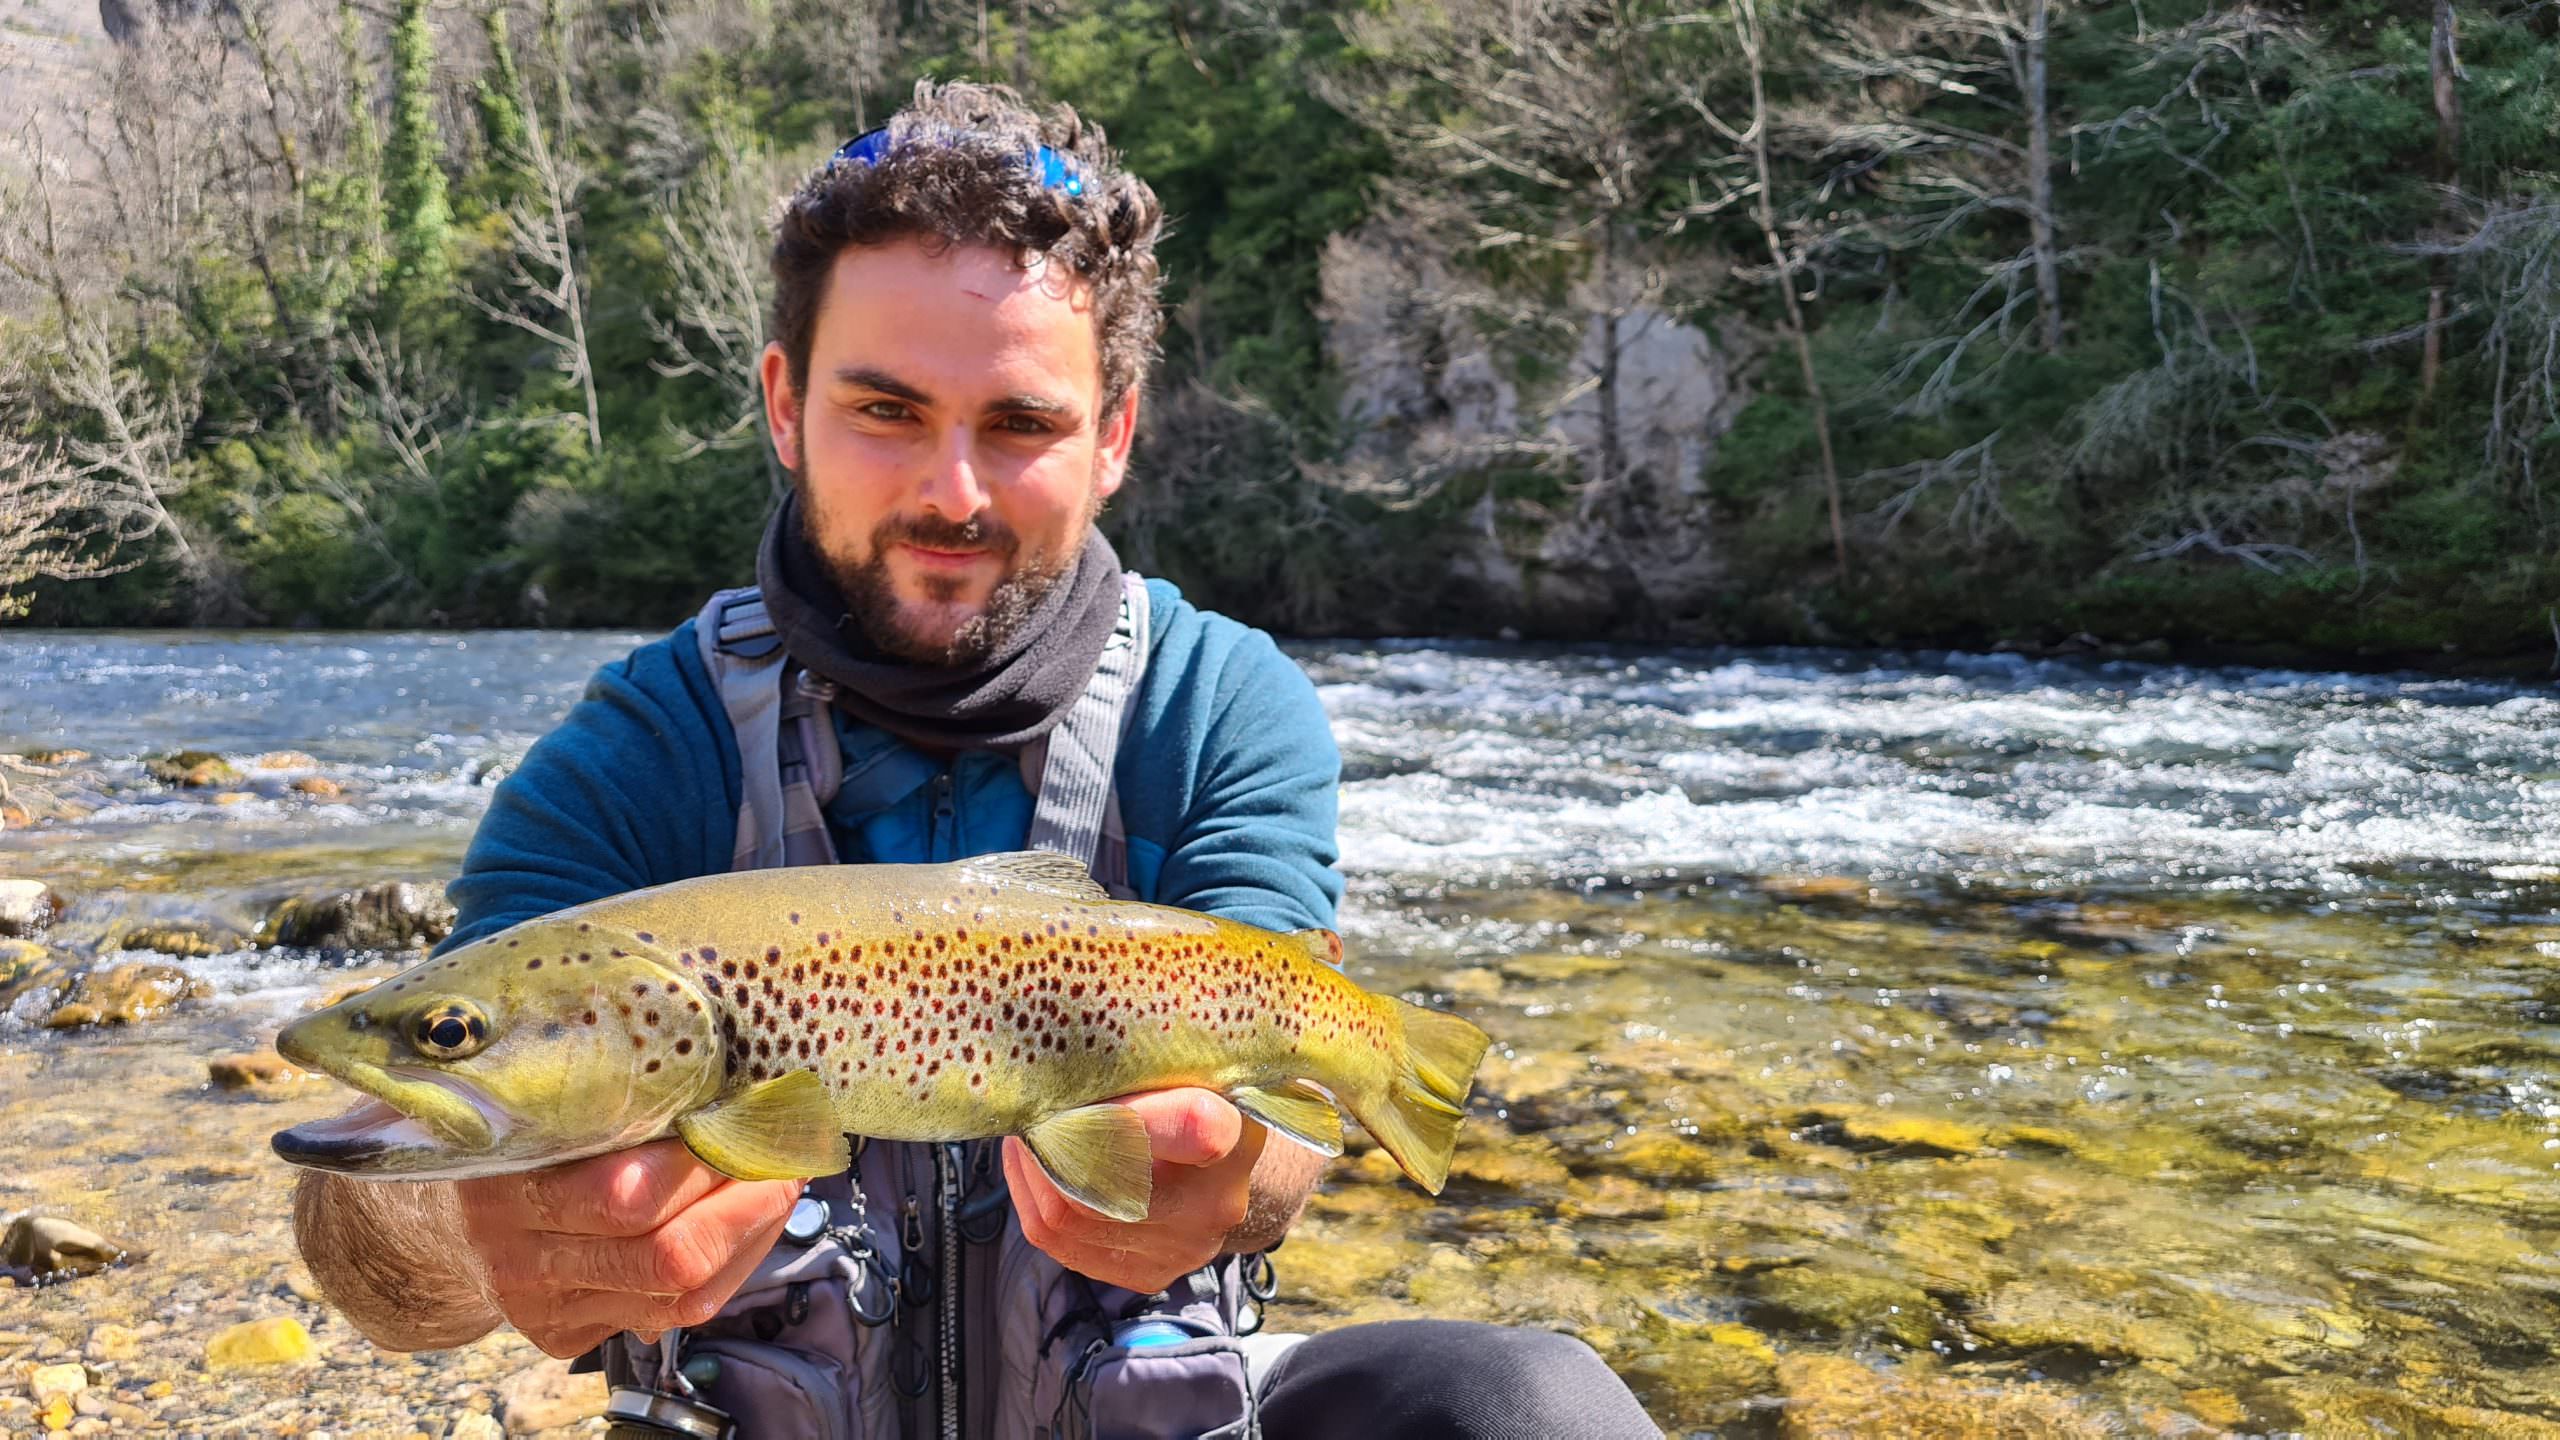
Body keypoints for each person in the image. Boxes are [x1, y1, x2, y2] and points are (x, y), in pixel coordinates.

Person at [289, 80, 1661, 1440]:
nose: (951, 492)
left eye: (1020, 425)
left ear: (1114, 434)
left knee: (1532, 1405)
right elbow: (385, 1265)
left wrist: (1241, 1172)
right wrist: (482, 1231)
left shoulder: (1218, 702)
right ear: (784, 406)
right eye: (885, 411)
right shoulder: (639, 751)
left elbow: (1290, 1042)